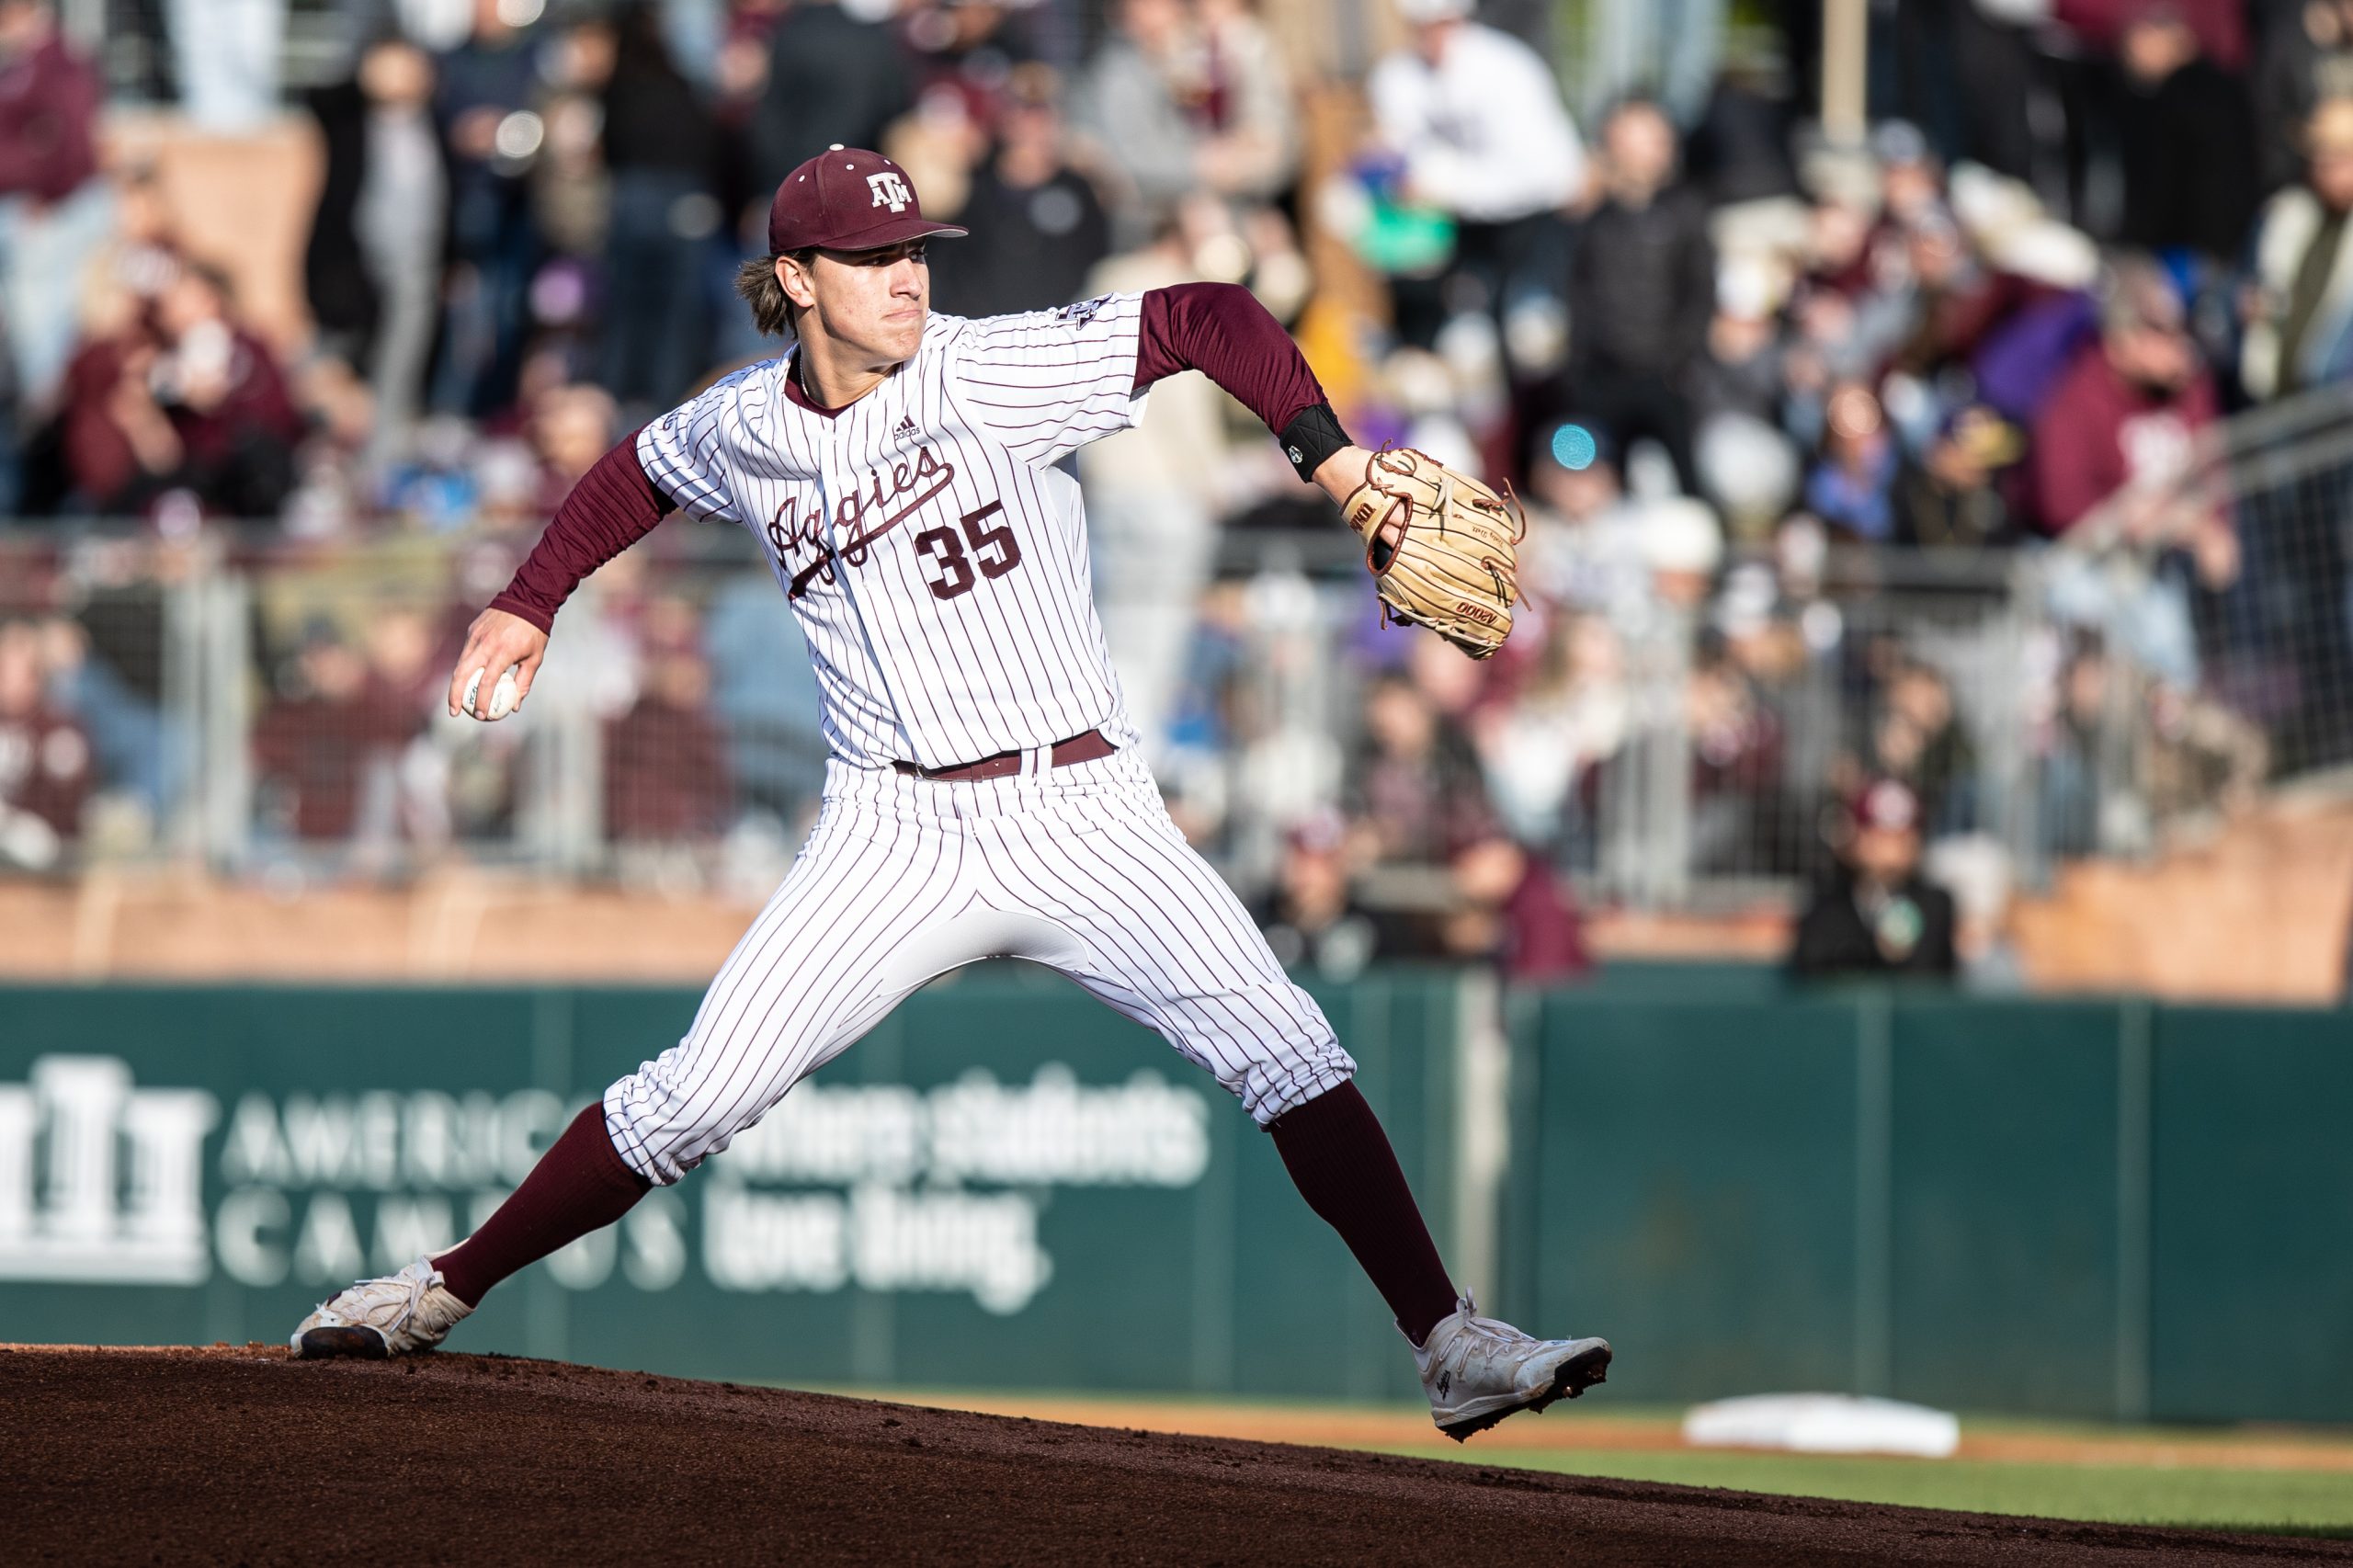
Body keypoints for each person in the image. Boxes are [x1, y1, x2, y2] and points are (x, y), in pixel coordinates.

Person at [290, 145, 1610, 1441]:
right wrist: (530, 601)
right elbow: (635, 470)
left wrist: (1331, 461)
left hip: (1082, 806)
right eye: (871, 258)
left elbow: (1205, 315)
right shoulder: (746, 424)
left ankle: (1450, 1343)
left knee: (1291, 1055)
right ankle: (440, 1287)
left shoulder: (987, 369)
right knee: (694, 1097)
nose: (906, 276)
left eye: (915, 248)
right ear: (796, 279)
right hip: (895, 827)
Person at [1367, 0, 1583, 344]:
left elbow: (1542, 176)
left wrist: (1444, 184)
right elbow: (1400, 158)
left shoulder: (1509, 68)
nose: (1435, 36)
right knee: (1466, 344)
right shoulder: (1396, 76)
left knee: (1531, 337)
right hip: (1457, 232)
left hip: (1531, 225)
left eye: (1444, 23)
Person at [1564, 97, 1712, 496]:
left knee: (1687, 483)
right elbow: (1579, 295)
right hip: (1604, 377)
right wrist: (1581, 369)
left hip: (1669, 378)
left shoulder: (1686, 212)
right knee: (1598, 480)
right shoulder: (1593, 221)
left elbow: (1699, 294)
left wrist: (1679, 361)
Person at [1788, 777, 1959, 981]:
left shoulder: (1934, 904)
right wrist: (1872, 947)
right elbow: (1813, 963)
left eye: (1900, 835)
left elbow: (1932, 969)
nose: (1890, 846)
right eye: (1878, 833)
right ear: (1856, 837)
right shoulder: (1827, 901)